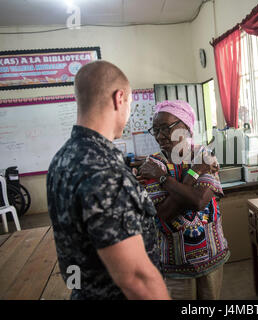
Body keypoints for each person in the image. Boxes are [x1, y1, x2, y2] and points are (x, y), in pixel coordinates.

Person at [47, 60, 170, 300]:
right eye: (130, 104)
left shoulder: (62, 159)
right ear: (119, 98)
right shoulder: (104, 170)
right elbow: (136, 278)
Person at [136, 100, 229, 300]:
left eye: (165, 128)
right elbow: (164, 213)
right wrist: (195, 172)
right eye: (156, 129)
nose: (160, 136)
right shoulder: (152, 164)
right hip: (174, 262)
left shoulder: (204, 154)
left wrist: (163, 178)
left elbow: (199, 201)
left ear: (185, 129)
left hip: (211, 254)